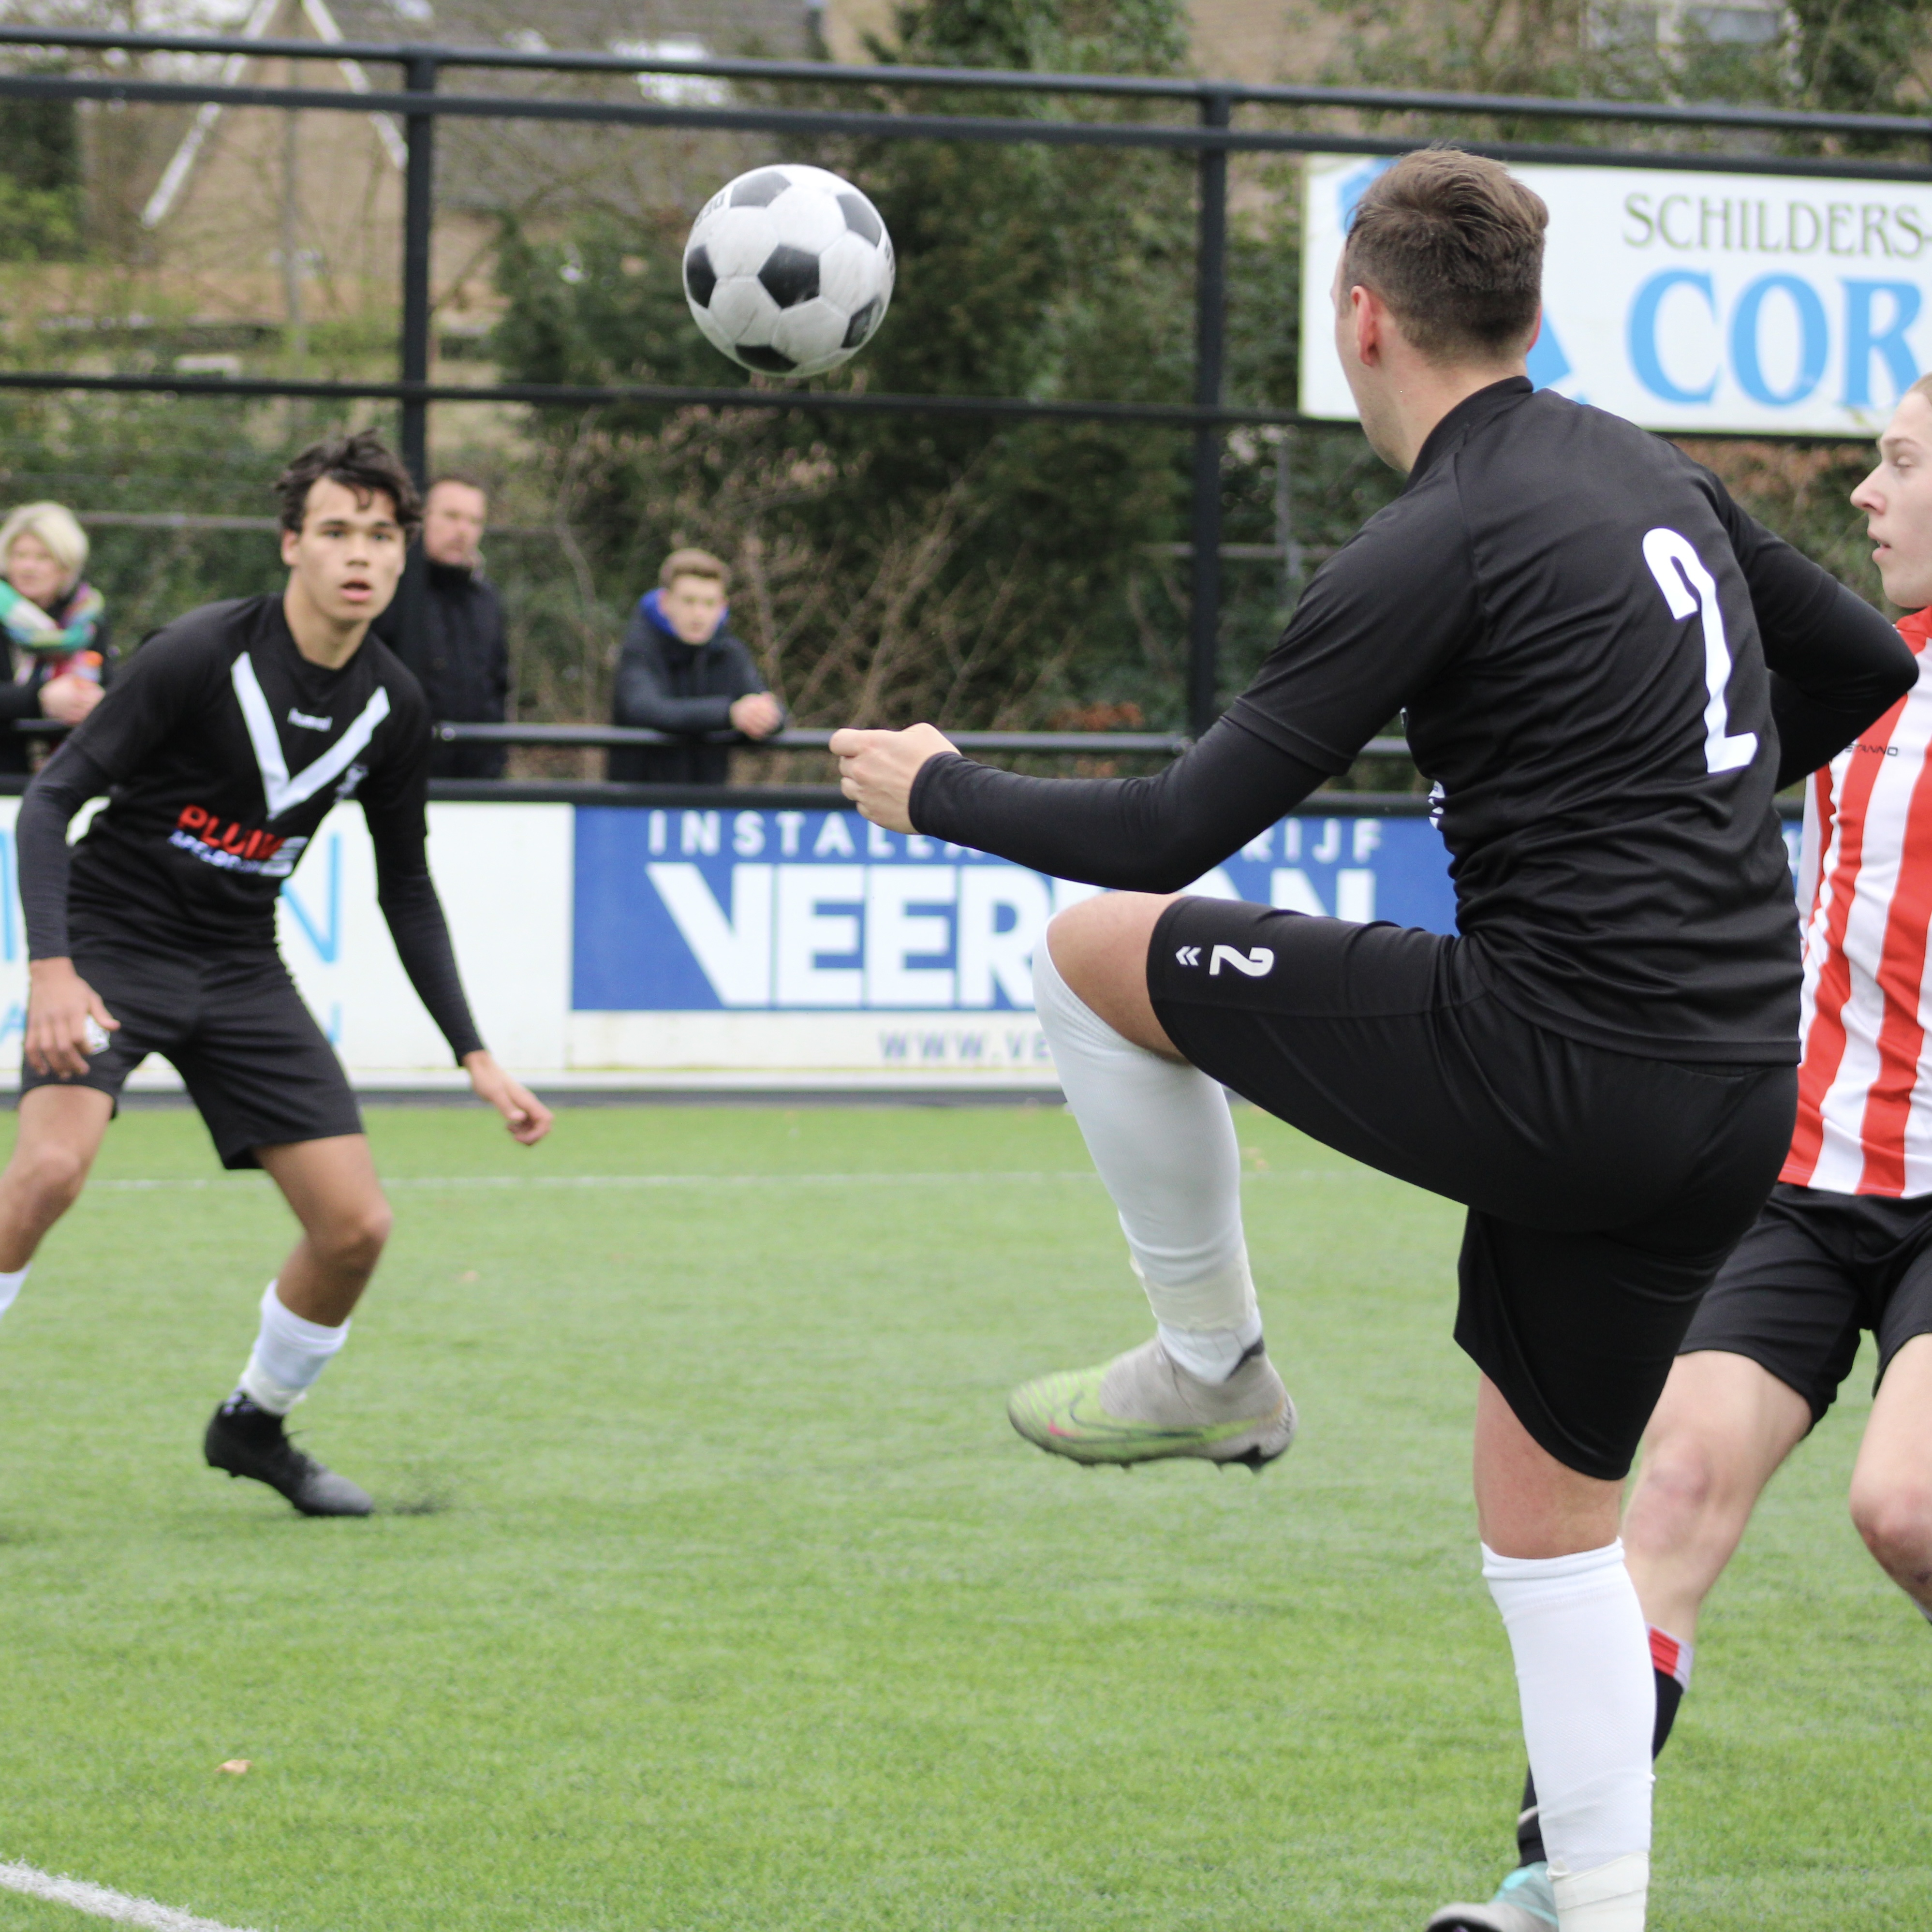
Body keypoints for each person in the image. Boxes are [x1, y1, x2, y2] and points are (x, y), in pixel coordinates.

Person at [830, 148, 1917, 1932]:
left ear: (1362, 317)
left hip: (1557, 1065)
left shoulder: (1435, 536)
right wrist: (1685, 799)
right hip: (1734, 1096)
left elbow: (1176, 831)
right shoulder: (1648, 469)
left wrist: (936, 787)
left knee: (1093, 951)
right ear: (1530, 314)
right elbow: (1871, 669)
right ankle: (1590, 1911)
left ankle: (1210, 1360)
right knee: (1552, 1531)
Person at [1427, 375, 1932, 1932]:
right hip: (1803, 1172)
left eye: (1899, 461)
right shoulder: (1851, 670)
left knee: (1903, 1505)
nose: (1860, 489)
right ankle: (1554, 1878)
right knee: (1668, 1493)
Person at [0, 430, 554, 1520]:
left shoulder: (394, 707)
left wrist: (475, 1053)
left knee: (357, 1228)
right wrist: (52, 968)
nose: (362, 554)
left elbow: (408, 888)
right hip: (113, 939)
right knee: (50, 1173)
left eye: (381, 536)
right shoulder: (197, 653)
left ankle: (252, 1424)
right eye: (338, 531)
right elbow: (54, 801)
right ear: (291, 543)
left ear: (400, 559)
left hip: (240, 963)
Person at [370, 473, 510, 780]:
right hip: (399, 781)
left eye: (474, 521)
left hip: (478, 785)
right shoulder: (387, 593)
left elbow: (498, 687)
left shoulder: (486, 601)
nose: (463, 531)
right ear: (421, 519)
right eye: (451, 516)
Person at [607, 547, 783, 783]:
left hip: (708, 809)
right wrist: (729, 713)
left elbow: (772, 710)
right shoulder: (638, 649)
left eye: (709, 603)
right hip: (639, 807)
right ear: (665, 602)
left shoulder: (731, 652)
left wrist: (765, 717)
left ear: (723, 606)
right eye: (689, 601)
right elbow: (645, 709)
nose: (699, 614)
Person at [0, 501, 107, 775]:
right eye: (19, 555)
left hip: (68, 778)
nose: (28, 567)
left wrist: (97, 702)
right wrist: (40, 700)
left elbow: (109, 682)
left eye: (42, 557)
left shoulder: (86, 619)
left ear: (66, 566)